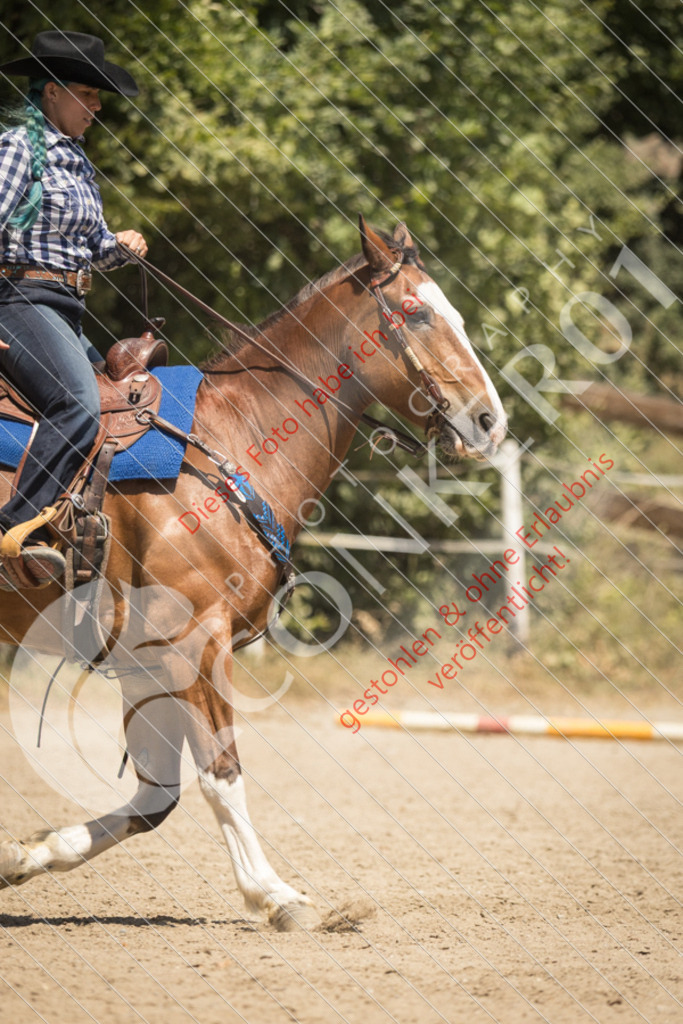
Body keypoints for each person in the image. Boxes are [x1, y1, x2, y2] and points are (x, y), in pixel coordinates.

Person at [0, 30, 148, 587]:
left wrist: (120, 248)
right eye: (88, 93)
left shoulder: (78, 162)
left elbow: (86, 249)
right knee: (79, 404)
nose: (98, 106)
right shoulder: (17, 148)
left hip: (65, 305)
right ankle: (13, 532)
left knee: (124, 397)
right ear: (53, 92)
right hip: (16, 300)